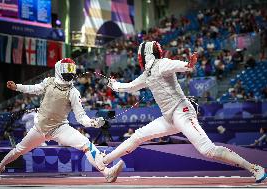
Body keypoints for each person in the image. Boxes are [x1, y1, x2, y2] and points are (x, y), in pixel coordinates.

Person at [100, 41, 266, 183]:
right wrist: (113, 84)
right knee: (137, 136)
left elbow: (180, 66)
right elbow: (129, 87)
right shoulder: (146, 75)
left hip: (182, 112)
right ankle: (105, 160)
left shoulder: (162, 64)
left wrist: (188, 65)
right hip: (168, 118)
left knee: (208, 150)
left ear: (143, 55)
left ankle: (254, 167)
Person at [0, 58, 123, 183]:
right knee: (18, 151)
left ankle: (107, 172)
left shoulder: (73, 92)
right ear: (59, 70)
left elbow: (81, 117)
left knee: (87, 145)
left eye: (71, 70)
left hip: (60, 128)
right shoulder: (48, 82)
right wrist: (17, 87)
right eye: (67, 69)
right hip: (39, 128)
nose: (69, 73)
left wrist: (93, 122)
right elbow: (34, 89)